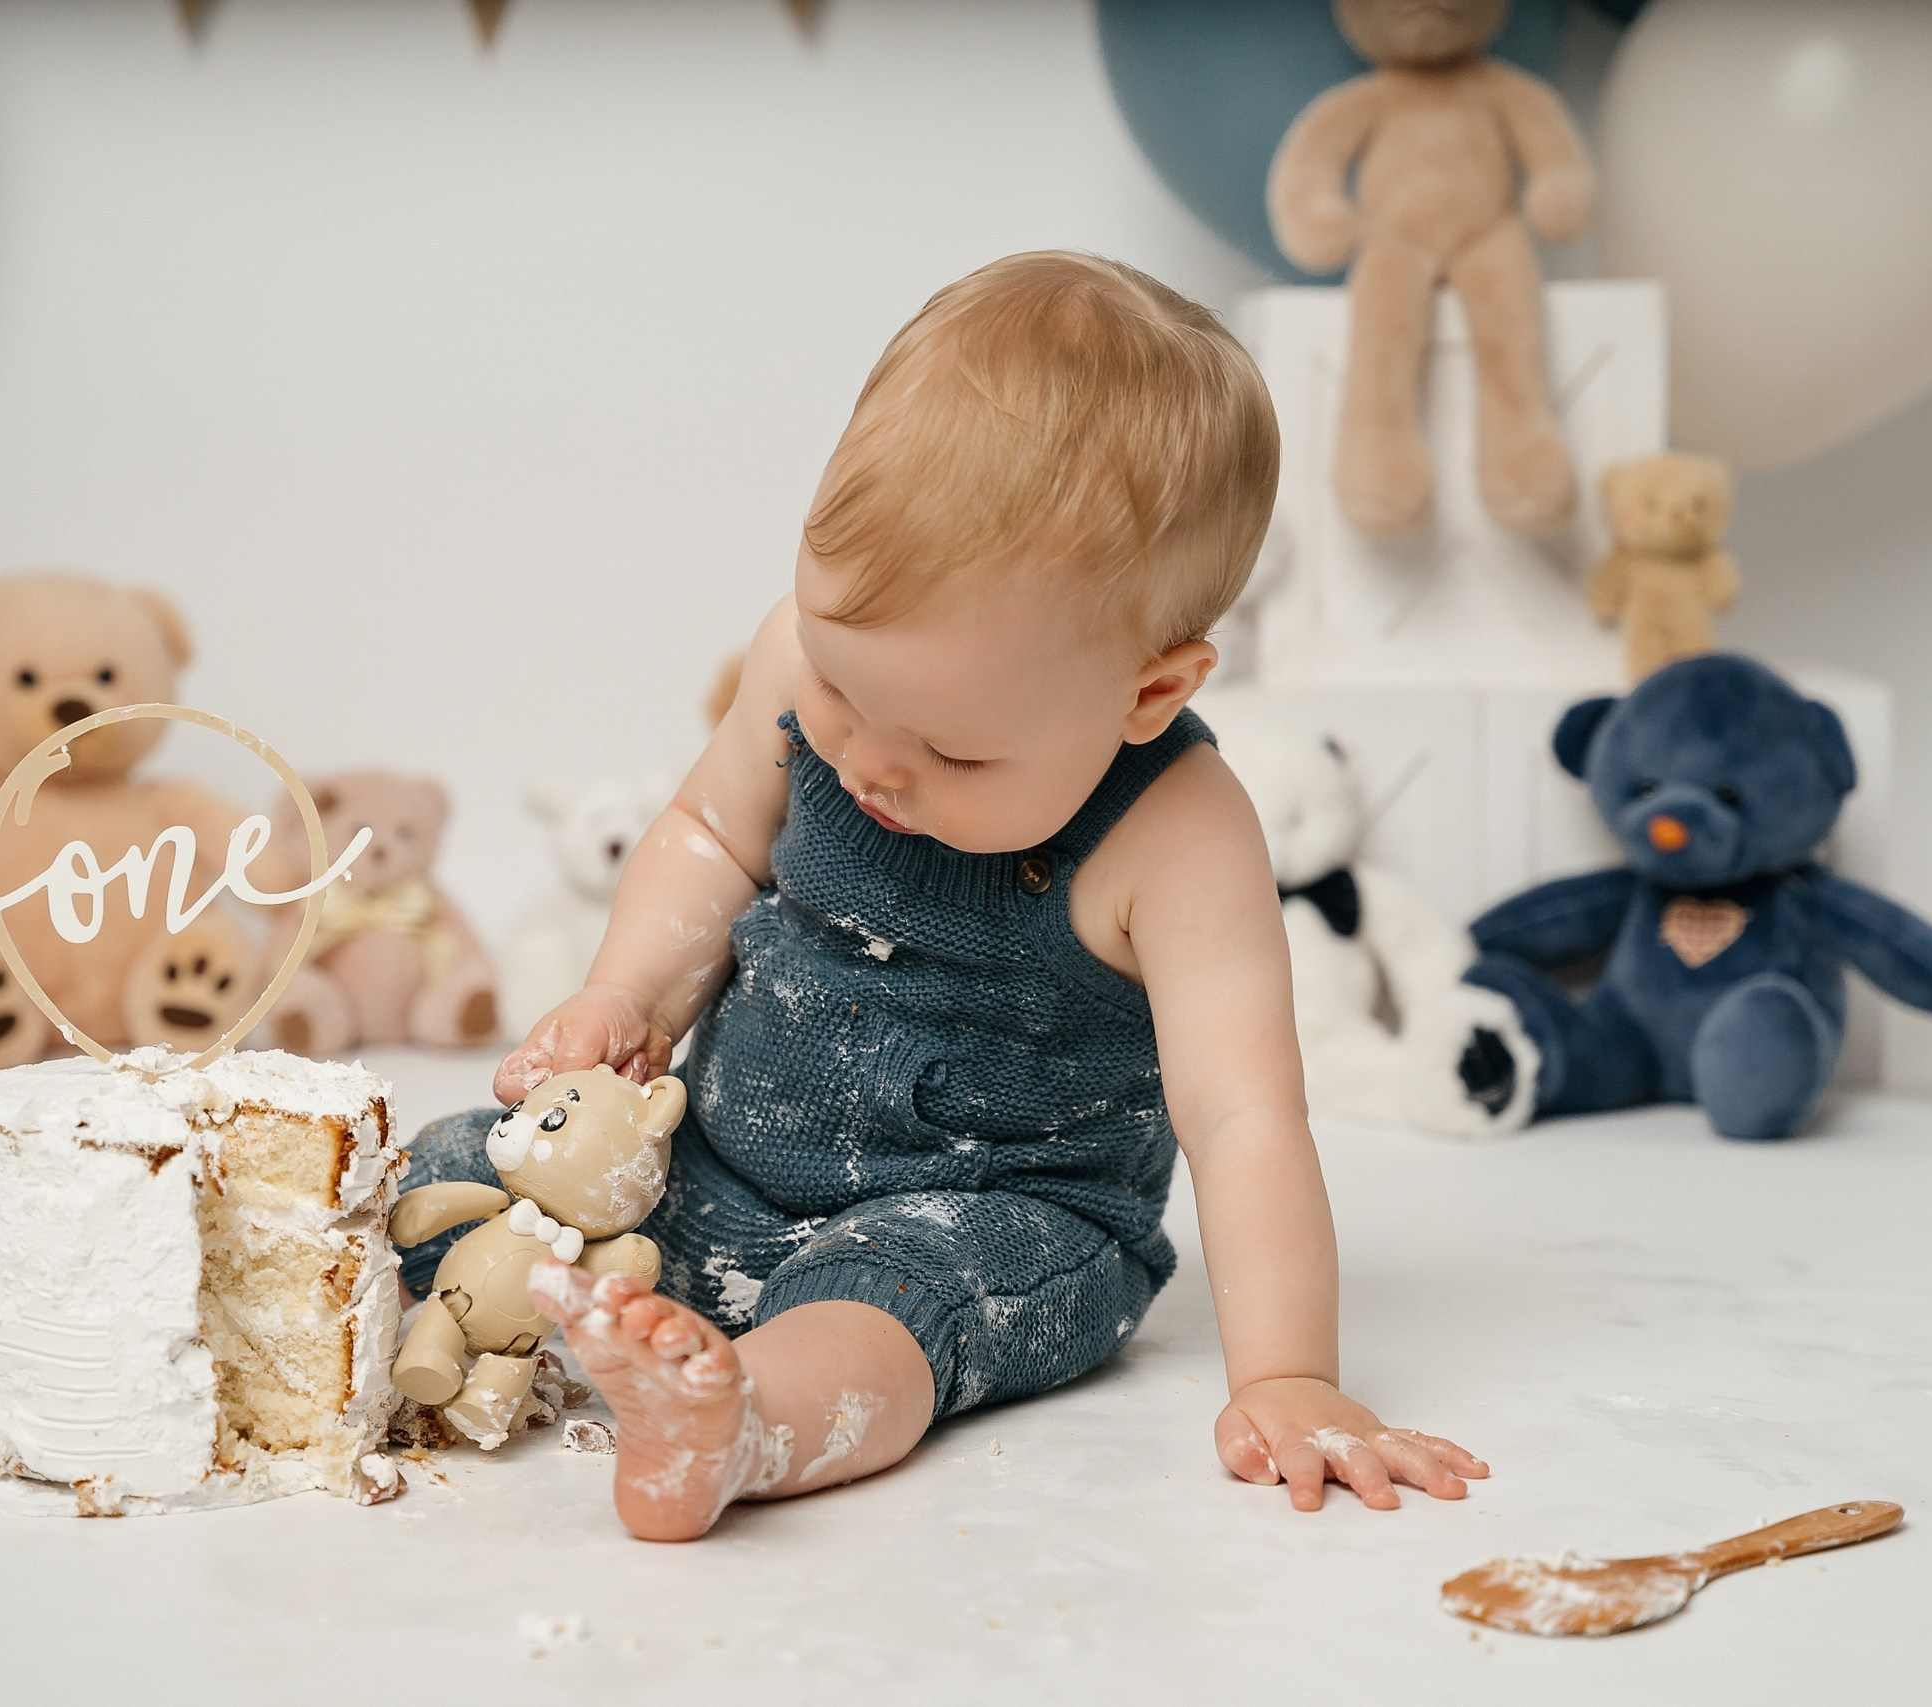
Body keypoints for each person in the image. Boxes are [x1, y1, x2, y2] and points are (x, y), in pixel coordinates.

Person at [404, 250, 1486, 1541]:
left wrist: (1289, 1374)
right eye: (848, 693)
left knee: (888, 1311)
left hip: (1000, 1221)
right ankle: (517, 1332)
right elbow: (706, 833)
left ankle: (743, 1422)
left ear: (1150, 691)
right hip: (719, 1168)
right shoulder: (800, 655)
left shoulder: (1177, 836)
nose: (868, 758)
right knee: (457, 1170)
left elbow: (1244, 1115)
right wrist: (623, 995)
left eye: (958, 751)